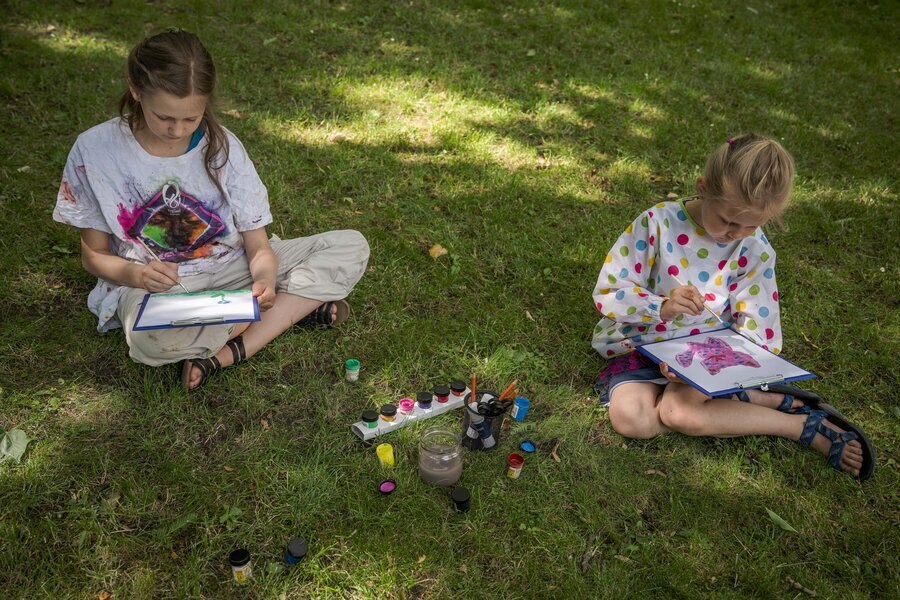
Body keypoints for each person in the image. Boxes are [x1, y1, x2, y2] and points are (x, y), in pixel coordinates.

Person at [53, 30, 370, 390]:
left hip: (233, 270)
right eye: (164, 116)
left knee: (350, 246)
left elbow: (258, 246)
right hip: (160, 290)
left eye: (191, 119)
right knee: (149, 339)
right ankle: (291, 310)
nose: (177, 130)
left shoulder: (223, 147)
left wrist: (265, 279)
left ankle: (227, 351)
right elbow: (93, 256)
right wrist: (137, 275)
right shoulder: (94, 151)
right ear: (136, 90)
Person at [591, 134, 875, 480]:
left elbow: (759, 331)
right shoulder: (658, 223)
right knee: (632, 420)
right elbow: (610, 291)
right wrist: (661, 307)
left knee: (680, 414)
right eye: (726, 220)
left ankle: (799, 425)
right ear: (703, 188)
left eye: (750, 225)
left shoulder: (753, 249)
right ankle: (756, 400)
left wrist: (701, 369)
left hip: (707, 357)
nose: (734, 233)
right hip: (642, 344)